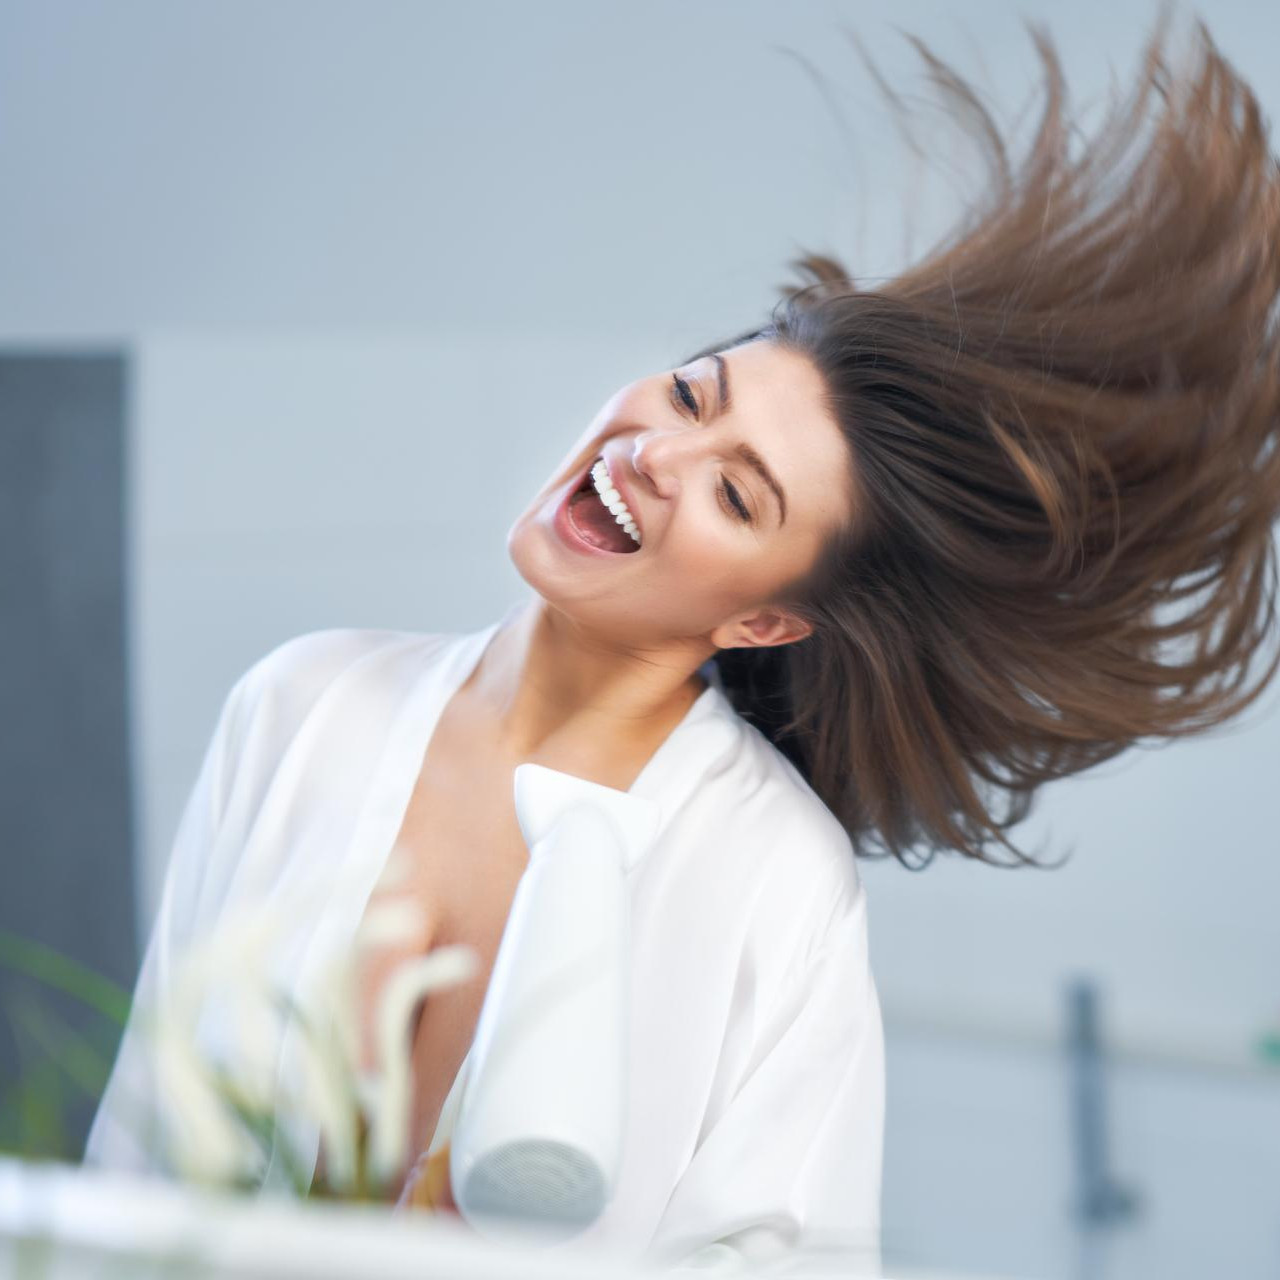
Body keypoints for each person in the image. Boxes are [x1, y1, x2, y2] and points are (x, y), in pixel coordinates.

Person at [84, 11, 1280, 1276]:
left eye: (736, 493)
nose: (655, 452)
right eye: (691, 392)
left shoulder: (768, 879)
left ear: (761, 619)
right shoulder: (303, 706)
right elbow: (130, 1161)